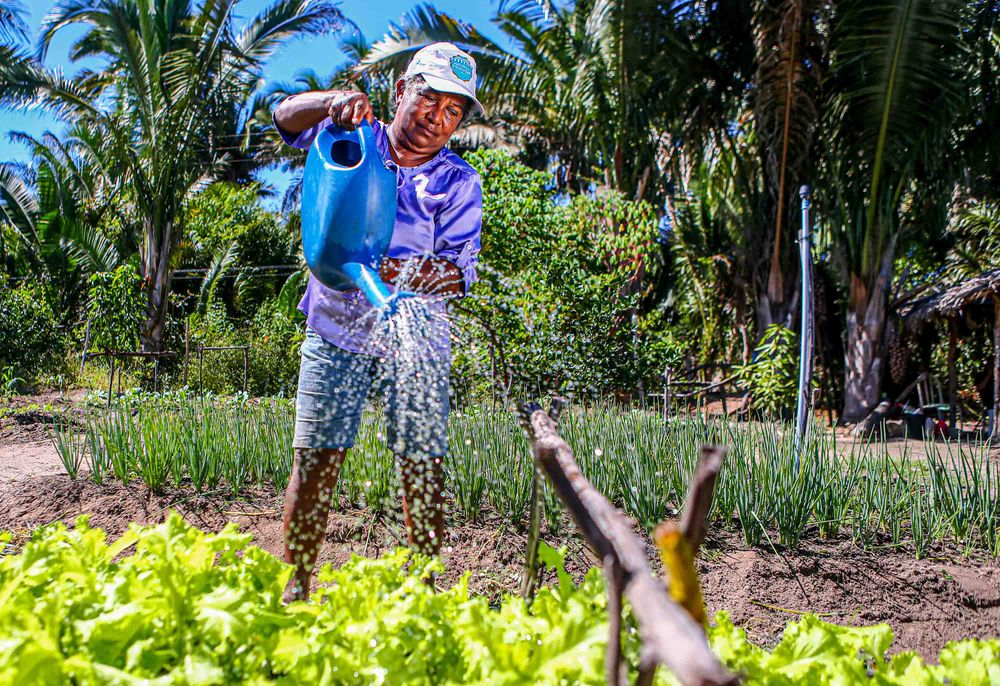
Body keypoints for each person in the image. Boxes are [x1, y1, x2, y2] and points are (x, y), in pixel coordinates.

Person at [272, 42, 484, 602]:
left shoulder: (457, 183)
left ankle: (423, 592)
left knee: (422, 470)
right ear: (401, 92)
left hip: (417, 342)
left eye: (452, 112)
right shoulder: (351, 141)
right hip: (335, 330)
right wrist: (332, 100)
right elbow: (283, 117)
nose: (436, 119)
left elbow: (459, 273)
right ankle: (295, 587)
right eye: (428, 100)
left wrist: (393, 270)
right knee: (317, 461)